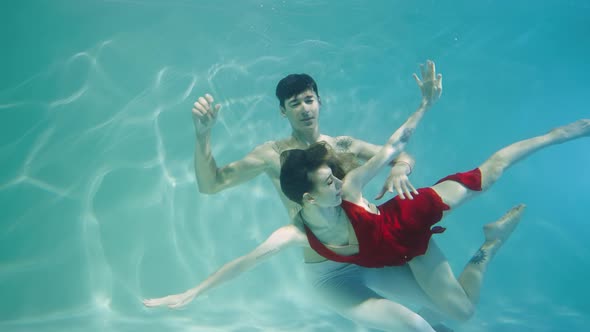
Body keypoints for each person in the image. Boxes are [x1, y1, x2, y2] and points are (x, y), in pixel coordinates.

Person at [191, 67, 423, 220]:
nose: (304, 109)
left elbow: (401, 155)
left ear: (319, 102)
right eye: (294, 103)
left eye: (309, 100)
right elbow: (211, 184)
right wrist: (203, 135)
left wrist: (401, 169)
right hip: (324, 256)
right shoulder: (272, 155)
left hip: (367, 234)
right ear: (283, 111)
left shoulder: (344, 145)